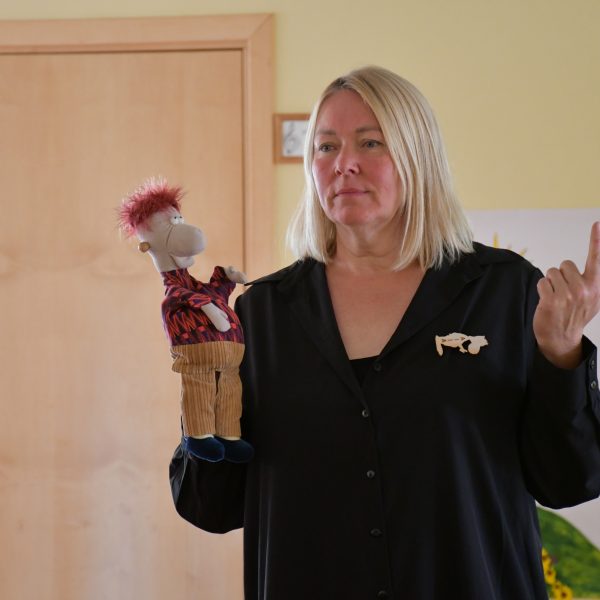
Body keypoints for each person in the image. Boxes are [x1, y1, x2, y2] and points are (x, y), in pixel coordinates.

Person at [169, 65, 600, 599]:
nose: (343, 163)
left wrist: (561, 354)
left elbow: (569, 481)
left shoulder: (504, 290)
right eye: (326, 147)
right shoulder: (262, 314)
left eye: (370, 142)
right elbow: (210, 506)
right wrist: (204, 380)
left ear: (419, 157)